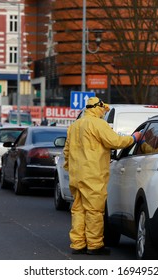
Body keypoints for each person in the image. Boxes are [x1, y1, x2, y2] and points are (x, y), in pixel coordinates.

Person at [63, 97, 142, 255]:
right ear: (98, 108)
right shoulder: (98, 124)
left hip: (76, 174)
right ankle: (94, 245)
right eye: (103, 110)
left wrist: (70, 168)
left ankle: (78, 244)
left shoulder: (75, 125)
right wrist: (134, 138)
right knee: (94, 210)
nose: (104, 113)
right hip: (93, 174)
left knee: (78, 209)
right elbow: (115, 141)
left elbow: (67, 151)